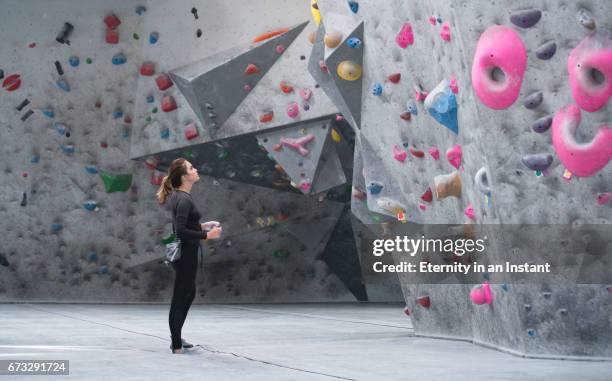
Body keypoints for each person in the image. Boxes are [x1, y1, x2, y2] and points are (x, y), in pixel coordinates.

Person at [156, 158, 222, 354]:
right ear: (185, 176)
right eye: (192, 168)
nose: (196, 169)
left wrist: (203, 225)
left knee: (188, 294)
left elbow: (182, 226)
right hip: (185, 255)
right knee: (180, 297)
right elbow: (181, 232)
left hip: (188, 253)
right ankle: (176, 344)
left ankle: (177, 337)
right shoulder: (183, 199)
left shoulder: (182, 196)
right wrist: (206, 235)